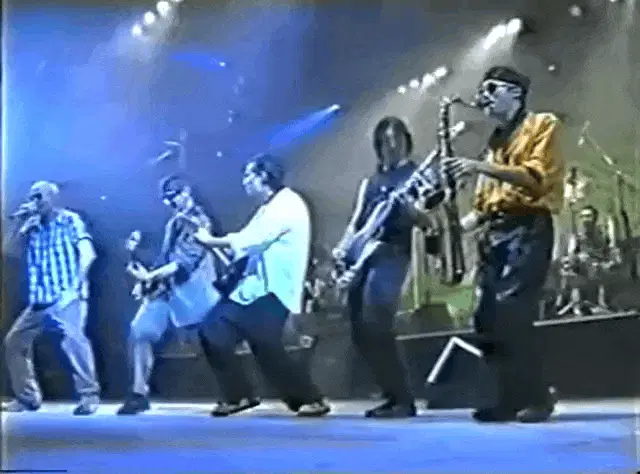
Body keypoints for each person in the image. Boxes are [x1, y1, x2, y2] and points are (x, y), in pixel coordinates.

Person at [443, 66, 564, 423]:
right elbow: (486, 205)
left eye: (492, 89)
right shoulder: (495, 142)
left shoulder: (542, 124)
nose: (483, 96)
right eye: (483, 89)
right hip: (495, 234)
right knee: (486, 317)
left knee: (513, 312)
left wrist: (480, 166)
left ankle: (537, 398)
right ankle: (508, 398)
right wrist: (453, 229)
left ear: (516, 93)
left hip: (528, 227)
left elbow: (534, 180)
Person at [193, 153, 330, 417]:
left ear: (263, 176)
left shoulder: (288, 203)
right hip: (252, 290)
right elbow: (243, 247)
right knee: (214, 331)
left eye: (249, 175)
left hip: (273, 291)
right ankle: (240, 395)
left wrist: (210, 240)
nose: (244, 181)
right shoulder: (267, 208)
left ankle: (309, 398)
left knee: (267, 348)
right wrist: (213, 244)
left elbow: (252, 240)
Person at [332, 117, 435, 418]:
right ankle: (391, 394)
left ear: (406, 141)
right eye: (385, 141)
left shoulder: (417, 175)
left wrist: (411, 209)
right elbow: (356, 221)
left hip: (392, 254)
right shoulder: (372, 182)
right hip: (361, 254)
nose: (391, 146)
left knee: (376, 322)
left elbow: (427, 220)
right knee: (359, 330)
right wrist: (343, 247)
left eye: (396, 139)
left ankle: (403, 399)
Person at [117, 176, 220, 414]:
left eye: (174, 197)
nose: (171, 203)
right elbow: (166, 258)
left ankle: (236, 392)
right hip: (166, 291)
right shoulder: (174, 221)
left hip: (194, 293)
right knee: (139, 331)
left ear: (187, 191)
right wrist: (147, 283)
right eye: (166, 199)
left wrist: (149, 277)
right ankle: (138, 393)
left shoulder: (199, 221)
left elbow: (183, 263)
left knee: (214, 343)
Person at [2, 181, 100, 415]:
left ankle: (89, 395)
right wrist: (18, 223)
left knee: (74, 340)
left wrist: (76, 287)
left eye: (39, 197)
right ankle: (28, 398)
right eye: (31, 197)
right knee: (14, 342)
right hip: (40, 300)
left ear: (52, 198)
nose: (34, 201)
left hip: (66, 296)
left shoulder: (69, 220)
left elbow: (88, 254)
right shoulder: (32, 226)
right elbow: (7, 250)